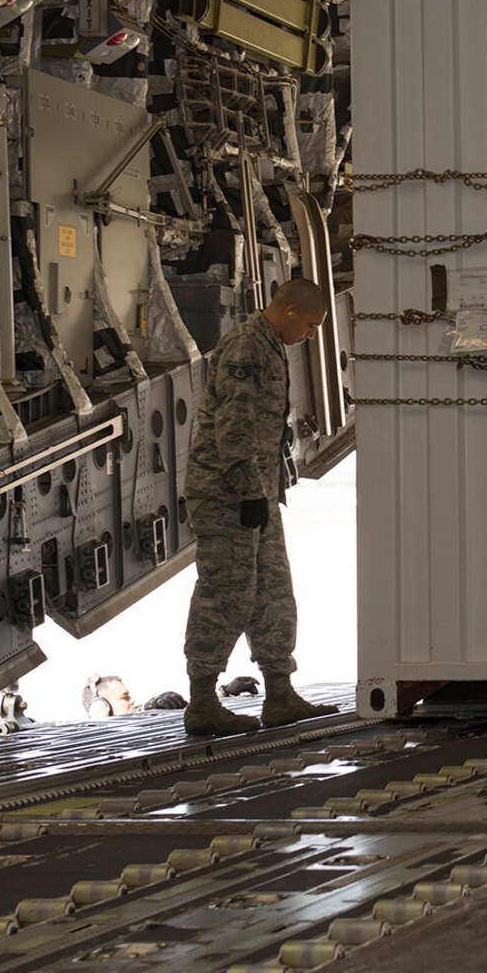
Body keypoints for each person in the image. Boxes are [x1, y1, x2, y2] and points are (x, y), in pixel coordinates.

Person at [180, 278, 340, 735]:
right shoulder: (247, 349)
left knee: (272, 588)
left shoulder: (270, 346)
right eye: (309, 325)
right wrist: (248, 490)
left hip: (256, 491)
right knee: (225, 592)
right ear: (288, 311)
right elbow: (233, 428)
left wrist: (262, 491)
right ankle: (202, 701)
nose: (310, 335)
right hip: (227, 493)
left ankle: (280, 692)